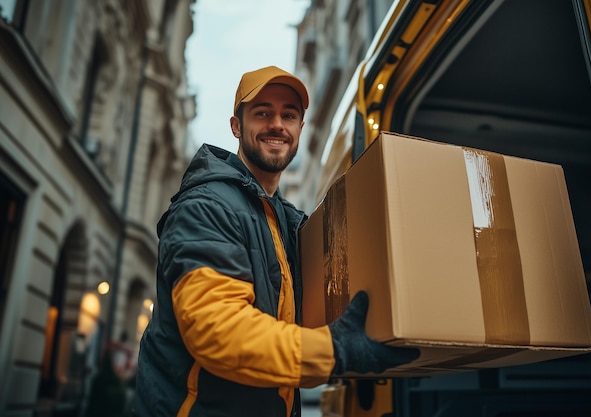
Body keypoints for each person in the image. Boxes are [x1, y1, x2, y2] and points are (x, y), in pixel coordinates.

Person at [132, 66, 419, 417]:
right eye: (263, 112)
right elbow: (217, 331)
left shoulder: (289, 224)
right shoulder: (206, 207)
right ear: (237, 126)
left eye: (289, 115)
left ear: (300, 128)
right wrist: (335, 350)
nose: (277, 125)